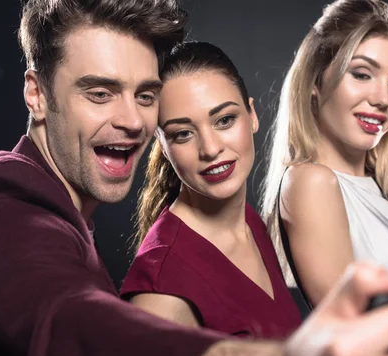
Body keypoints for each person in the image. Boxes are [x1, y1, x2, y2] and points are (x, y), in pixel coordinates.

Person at [0, 0, 388, 356]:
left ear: (251, 114)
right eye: (99, 92)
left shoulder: (246, 216)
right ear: (36, 91)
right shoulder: (4, 198)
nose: (130, 120)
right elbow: (71, 324)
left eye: (144, 96)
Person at [261, 0, 388, 309]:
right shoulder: (311, 182)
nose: (383, 98)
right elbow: (348, 325)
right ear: (315, 82)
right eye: (362, 74)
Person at [120, 41, 302, 338]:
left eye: (225, 120)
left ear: (252, 115)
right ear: (163, 147)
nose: (211, 148)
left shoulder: (248, 221)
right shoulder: (161, 292)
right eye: (183, 134)